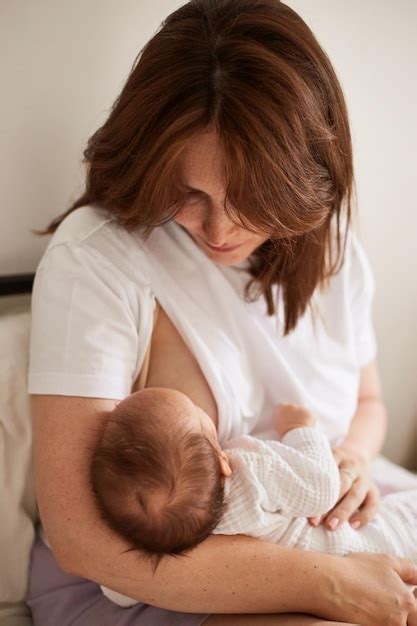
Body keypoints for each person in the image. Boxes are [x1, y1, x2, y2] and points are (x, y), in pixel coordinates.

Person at [27, 0, 417, 624]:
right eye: (189, 193)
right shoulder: (98, 259)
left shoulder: (333, 252)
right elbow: (85, 543)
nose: (220, 229)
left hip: (335, 531)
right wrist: (330, 583)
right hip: (157, 577)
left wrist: (353, 462)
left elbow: (369, 405)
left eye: (254, 198)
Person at [78, 387, 417, 608]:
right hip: (360, 544)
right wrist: (301, 430)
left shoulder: (164, 540)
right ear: (222, 461)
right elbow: (320, 489)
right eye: (199, 415)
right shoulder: (248, 476)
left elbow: (117, 591)